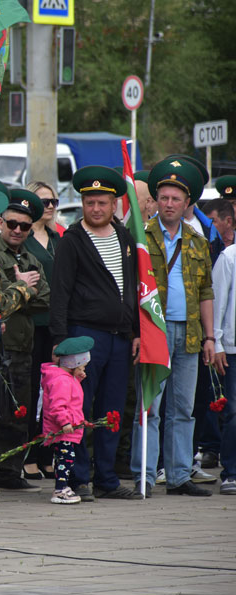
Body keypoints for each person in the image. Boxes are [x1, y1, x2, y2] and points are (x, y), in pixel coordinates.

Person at [50, 166, 139, 501]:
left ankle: (107, 478)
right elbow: (60, 293)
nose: (96, 209)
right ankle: (79, 478)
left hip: (119, 338)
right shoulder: (72, 241)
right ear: (83, 204)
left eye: (102, 202)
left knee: (112, 409)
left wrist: (135, 331)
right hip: (85, 335)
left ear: (114, 204)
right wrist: (60, 340)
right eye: (90, 203)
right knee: (79, 410)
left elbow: (132, 288)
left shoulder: (126, 239)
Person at [134, 158, 215, 497]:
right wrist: (136, 333)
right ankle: (146, 476)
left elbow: (206, 292)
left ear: (186, 204)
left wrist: (211, 337)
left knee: (183, 408)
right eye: (163, 198)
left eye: (175, 199)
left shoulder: (198, 240)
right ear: (155, 200)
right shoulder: (141, 237)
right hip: (155, 331)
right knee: (150, 406)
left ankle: (180, 475)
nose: (168, 204)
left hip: (191, 333)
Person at [0, 189, 50, 493]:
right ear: (1, 222)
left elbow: (45, 298)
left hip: (23, 345)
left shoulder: (32, 258)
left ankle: (10, 471)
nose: (17, 231)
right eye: (12, 223)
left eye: (24, 226)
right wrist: (20, 287)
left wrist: (19, 292)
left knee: (18, 412)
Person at [24, 180, 62, 480]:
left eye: (53, 201)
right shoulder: (21, 237)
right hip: (29, 325)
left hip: (56, 324)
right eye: (43, 201)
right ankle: (29, 456)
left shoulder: (58, 237)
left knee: (53, 392)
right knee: (30, 390)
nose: (49, 206)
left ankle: (48, 453)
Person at [41, 336, 94, 505]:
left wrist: (77, 378)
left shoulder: (66, 378)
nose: (84, 369)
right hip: (63, 429)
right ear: (73, 364)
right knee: (65, 459)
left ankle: (63, 487)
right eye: (82, 366)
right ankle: (60, 489)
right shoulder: (62, 380)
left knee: (67, 459)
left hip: (68, 428)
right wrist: (65, 422)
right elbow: (59, 404)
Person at [212, 239, 236, 494]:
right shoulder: (229, 256)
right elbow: (218, 299)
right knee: (234, 413)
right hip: (232, 347)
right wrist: (216, 340)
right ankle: (231, 471)